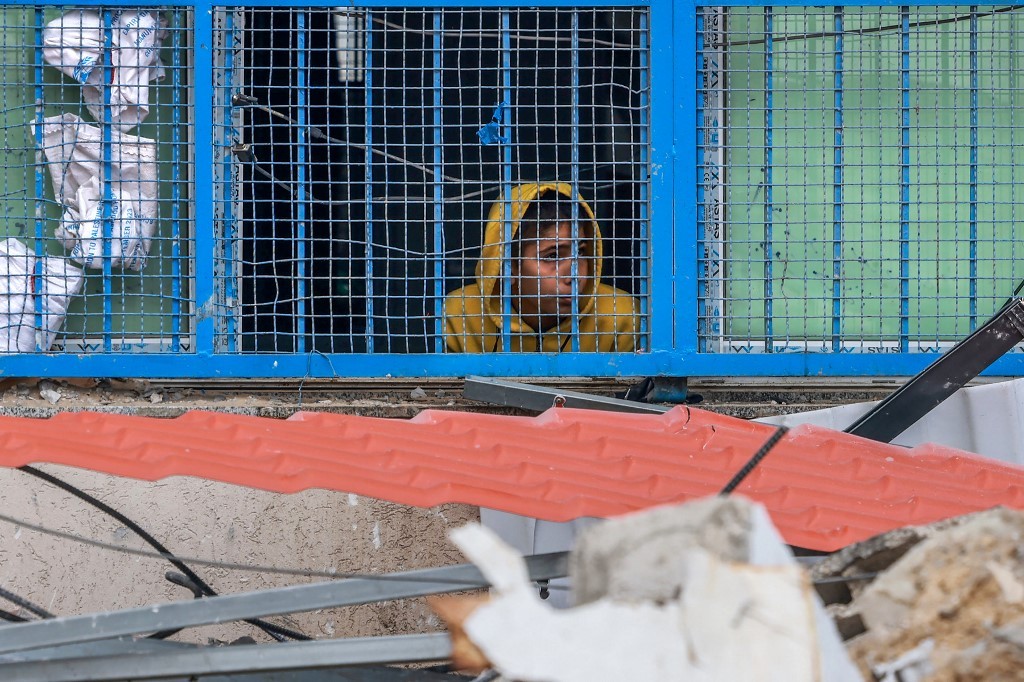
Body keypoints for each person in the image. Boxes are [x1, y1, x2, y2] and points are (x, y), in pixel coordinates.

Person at [444, 182, 639, 352]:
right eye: (552, 256)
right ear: (508, 266)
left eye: (580, 252)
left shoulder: (620, 317)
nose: (574, 275)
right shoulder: (460, 316)